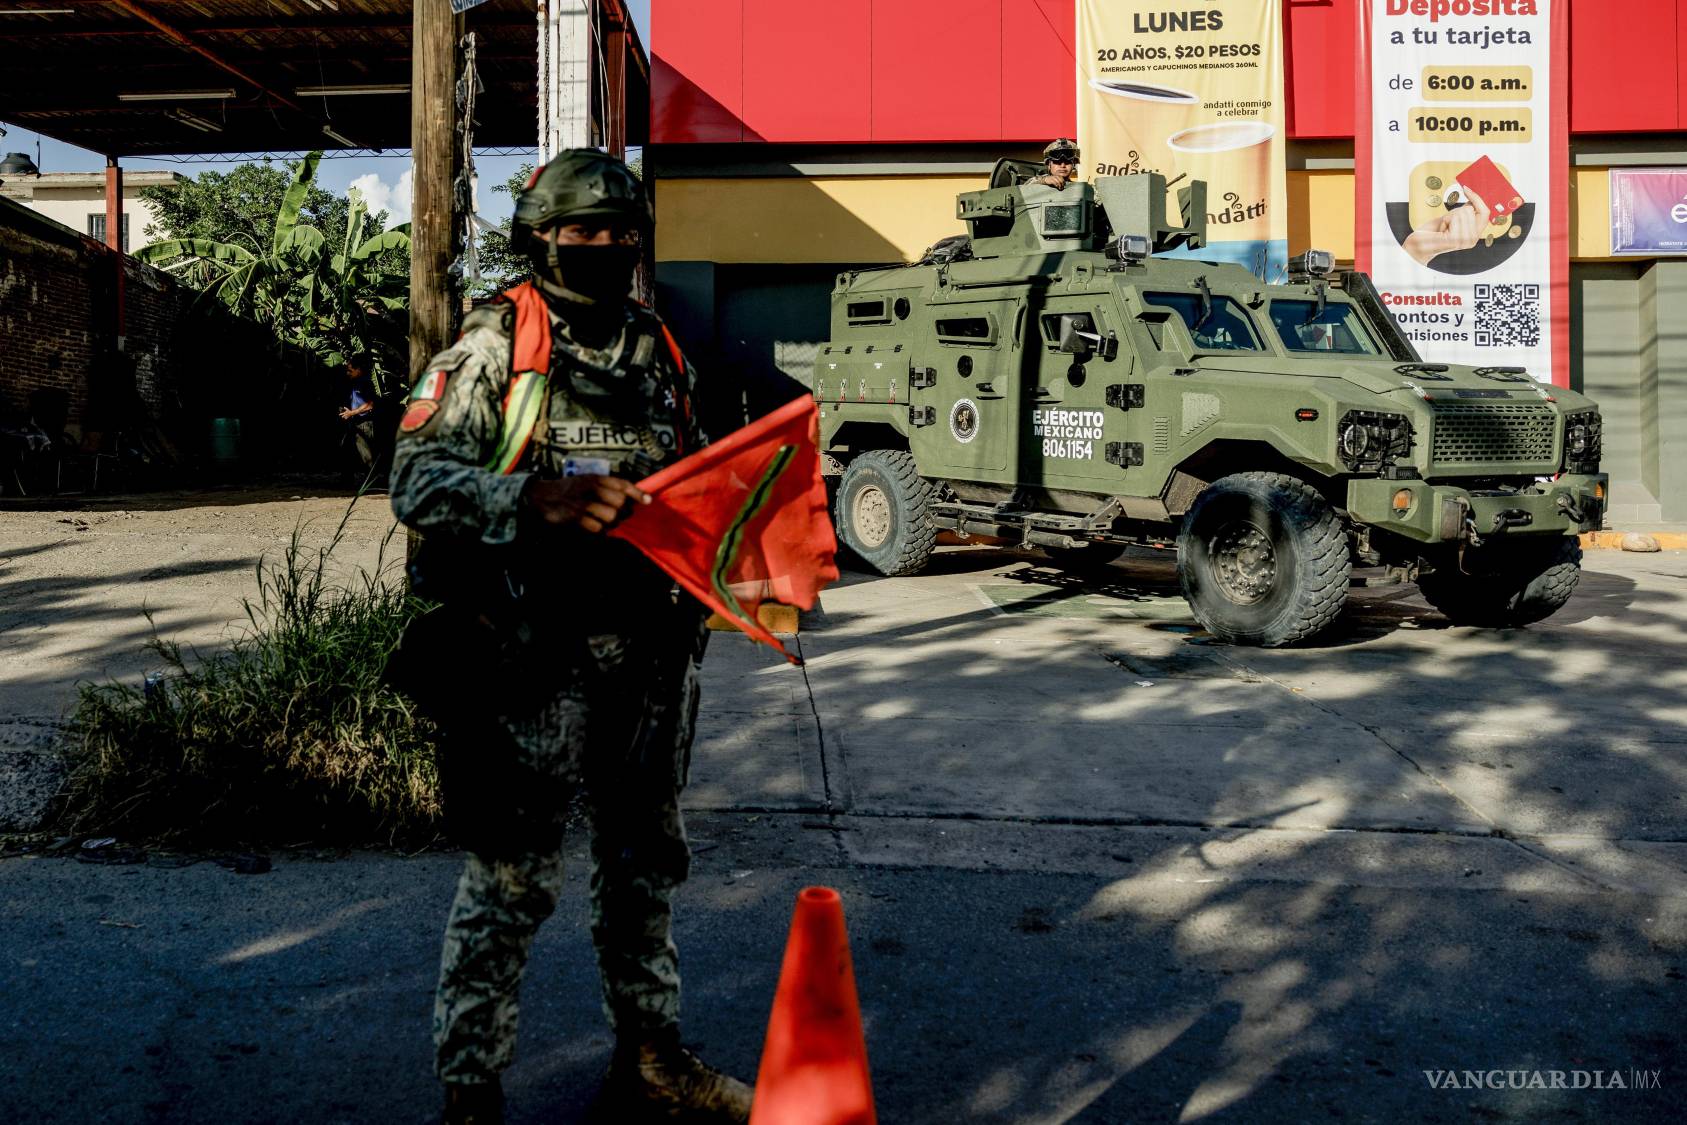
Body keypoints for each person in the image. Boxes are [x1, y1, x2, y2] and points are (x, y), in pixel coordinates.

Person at [388, 150, 754, 1125]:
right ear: (541, 237)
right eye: (580, 231)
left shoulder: (659, 349)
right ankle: (471, 1094)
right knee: (512, 878)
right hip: (528, 659)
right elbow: (414, 480)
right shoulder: (499, 342)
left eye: (617, 230)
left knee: (644, 866)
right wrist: (532, 498)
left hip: (648, 663)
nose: (602, 246)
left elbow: (696, 489)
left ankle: (653, 1061)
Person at [338, 353, 384, 481]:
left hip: (364, 423)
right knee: (347, 448)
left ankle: (372, 480)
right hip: (355, 421)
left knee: (366, 454)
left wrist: (352, 413)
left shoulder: (366, 383)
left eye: (350, 370)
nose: (348, 373)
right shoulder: (354, 383)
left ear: (359, 370)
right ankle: (347, 479)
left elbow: (370, 405)